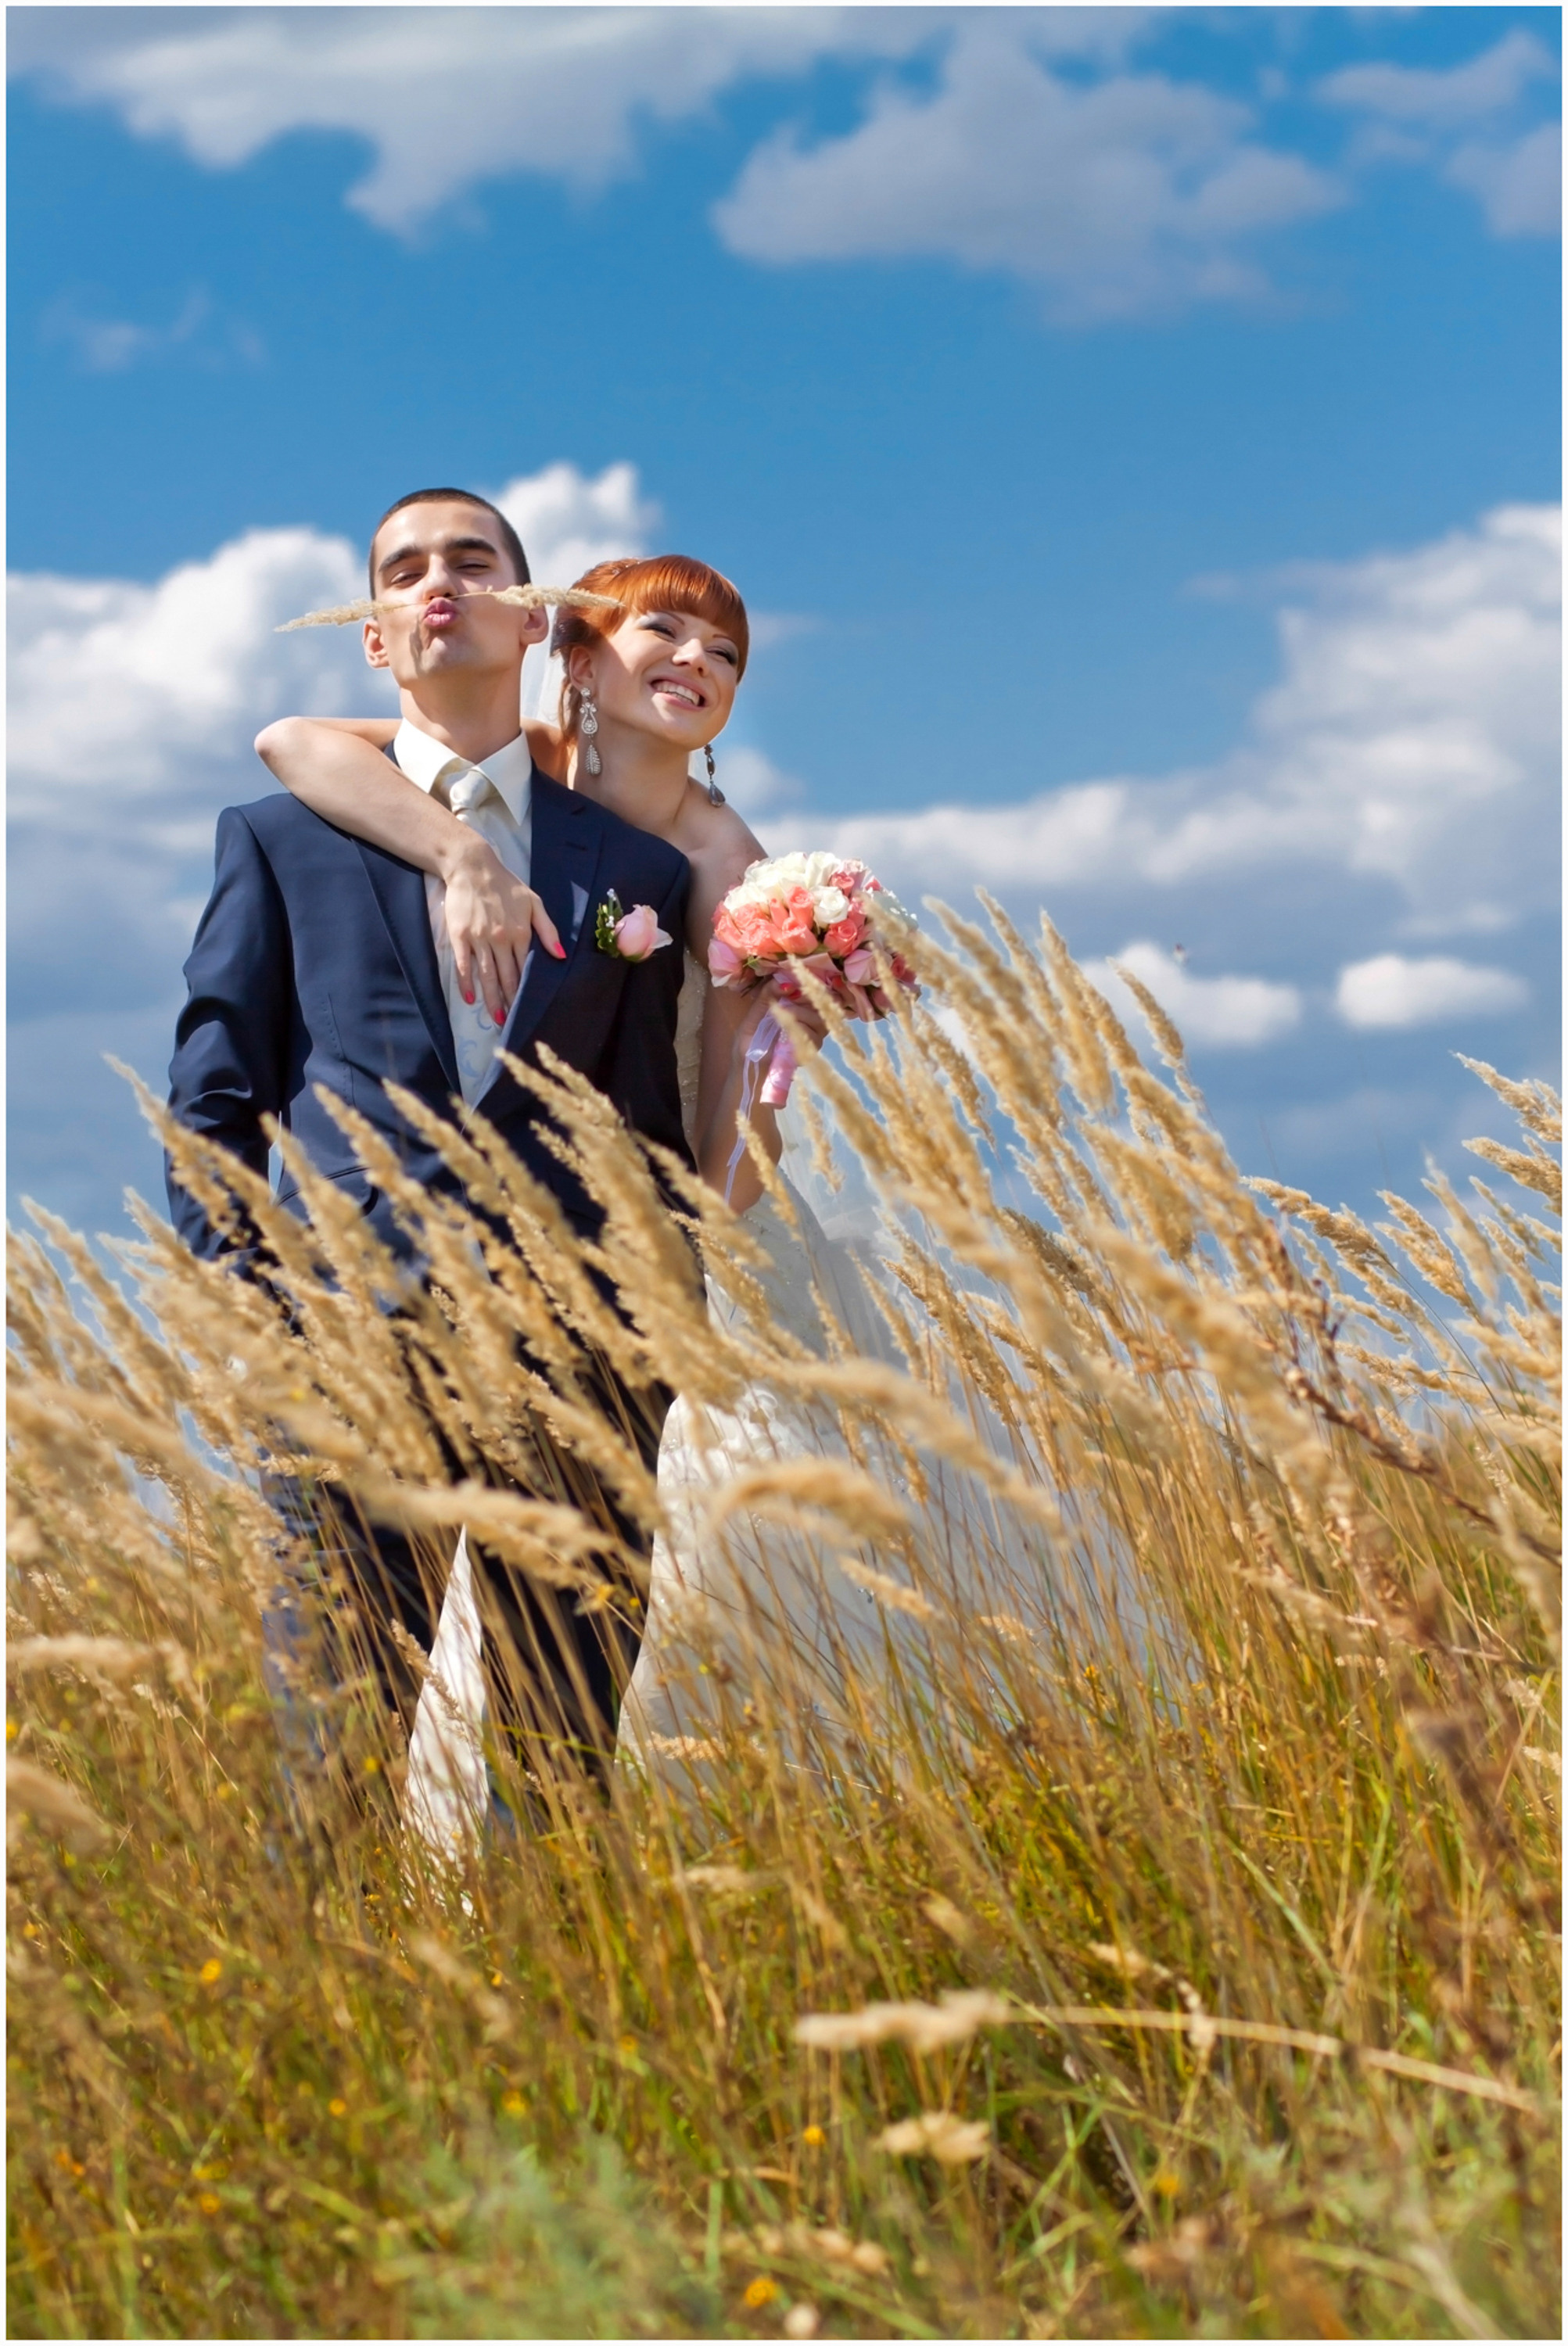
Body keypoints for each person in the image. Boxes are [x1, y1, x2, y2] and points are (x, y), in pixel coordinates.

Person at [167, 489, 694, 1802]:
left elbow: (647, 1131)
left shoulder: (635, 870)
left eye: (471, 560)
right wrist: (261, 1307)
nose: (435, 582)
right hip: (350, 1353)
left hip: (579, 1369)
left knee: (557, 1784)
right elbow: (213, 1097)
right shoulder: (279, 838)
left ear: (529, 617)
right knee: (326, 1778)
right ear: (376, 638)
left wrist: (652, 1348)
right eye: (401, 571)